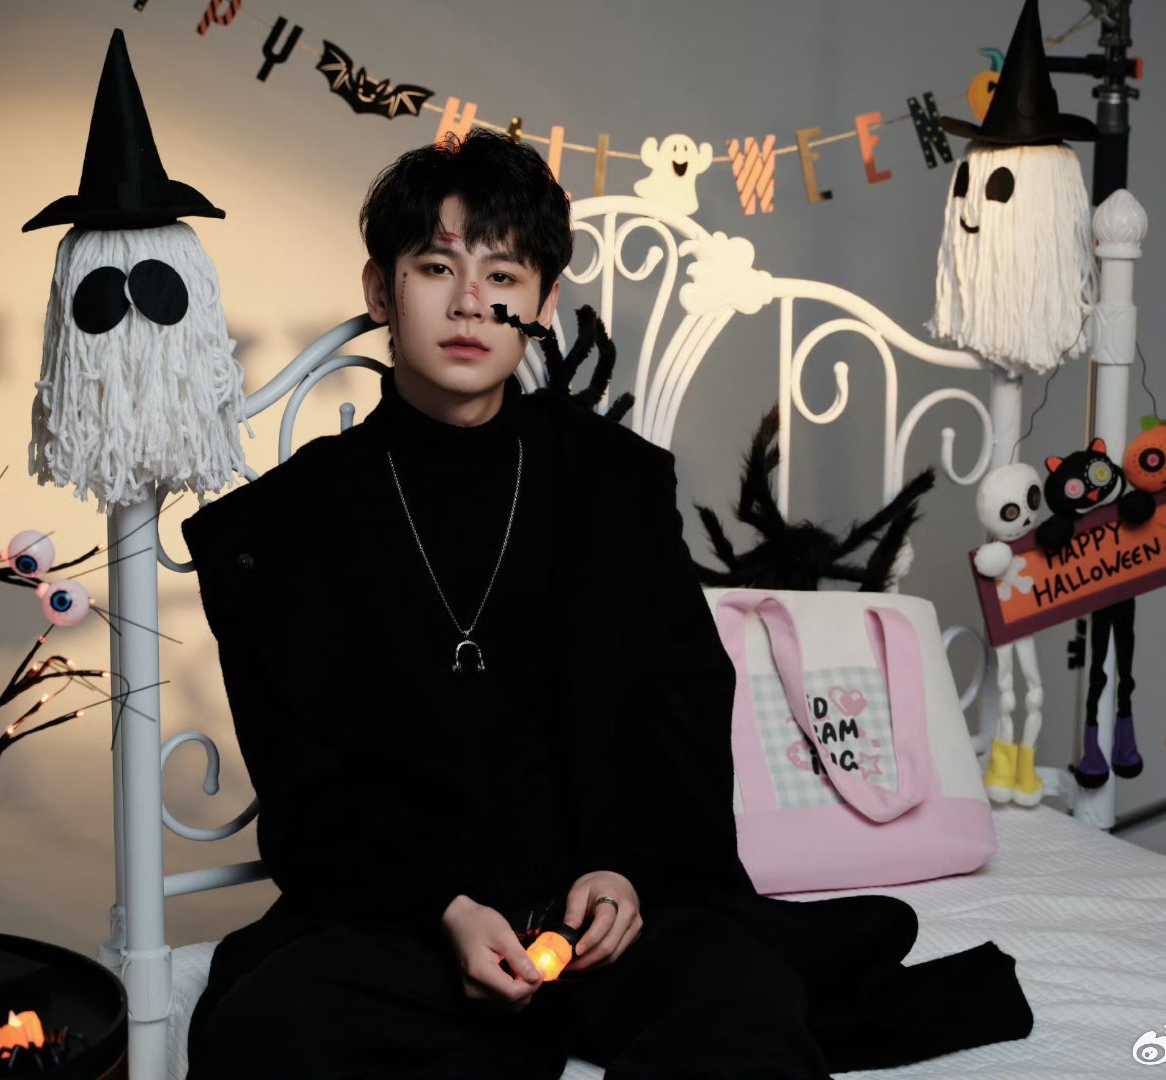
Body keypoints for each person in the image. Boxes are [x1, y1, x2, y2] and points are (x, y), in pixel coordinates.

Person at [181, 130, 1034, 1079]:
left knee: (742, 1007)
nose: (469, 303)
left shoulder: (611, 484)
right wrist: (445, 909)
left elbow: (682, 707)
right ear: (382, 290)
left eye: (503, 275)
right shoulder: (294, 521)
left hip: (607, 908)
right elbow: (309, 789)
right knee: (266, 1030)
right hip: (405, 915)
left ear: (543, 302)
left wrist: (625, 869)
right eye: (435, 268)